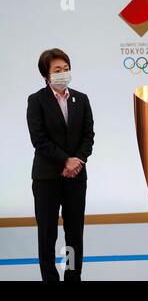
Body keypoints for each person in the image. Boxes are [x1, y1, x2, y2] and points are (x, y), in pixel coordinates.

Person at [26, 48, 94, 281]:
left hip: (76, 178)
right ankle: (50, 278)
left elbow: (88, 136)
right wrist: (65, 160)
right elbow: (39, 139)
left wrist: (78, 160)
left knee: (74, 234)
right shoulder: (36, 101)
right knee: (47, 234)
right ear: (46, 75)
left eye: (66, 69)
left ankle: (73, 276)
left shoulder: (81, 99)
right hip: (46, 178)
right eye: (57, 70)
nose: (63, 74)